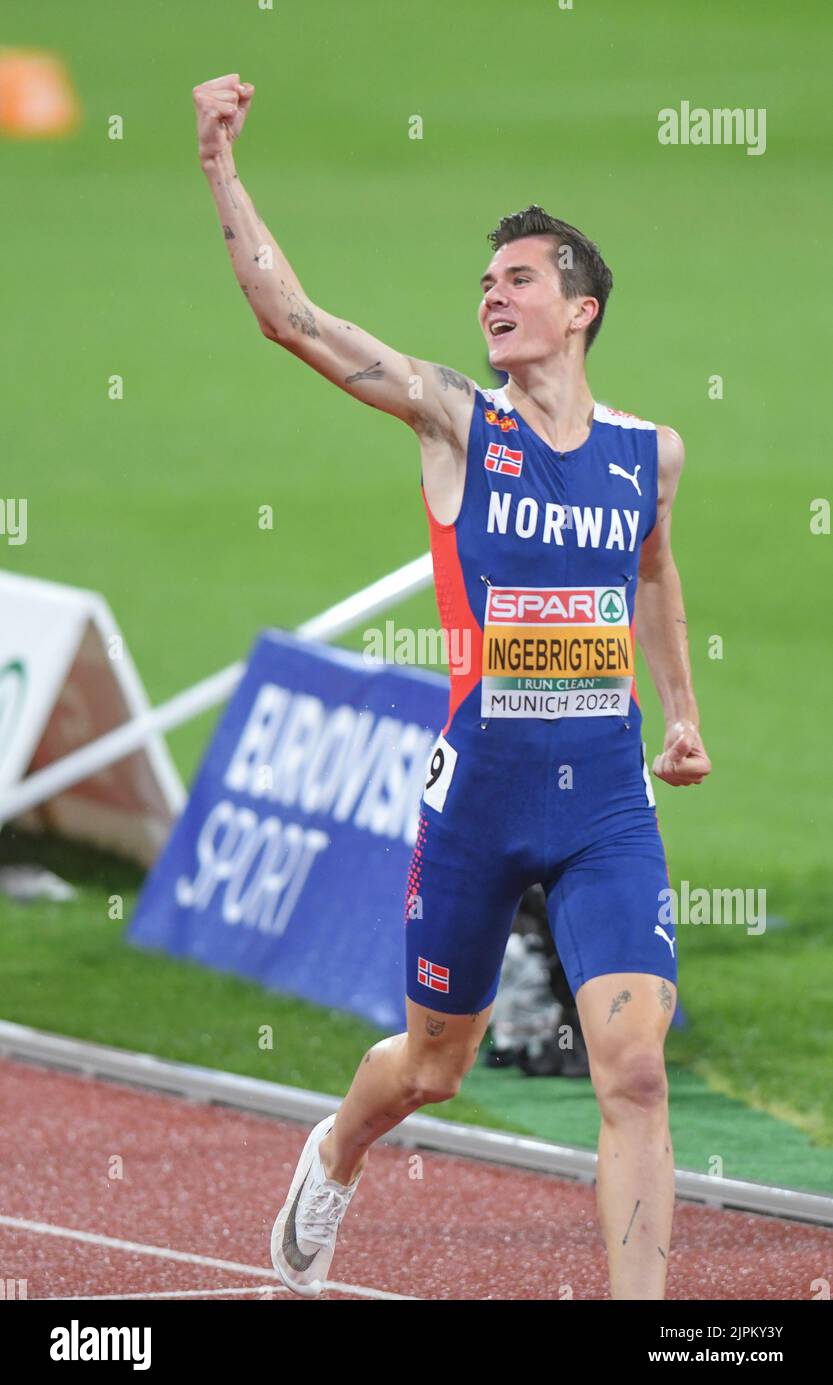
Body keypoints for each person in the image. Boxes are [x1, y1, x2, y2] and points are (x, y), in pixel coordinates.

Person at [192, 74, 712, 1301]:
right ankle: (334, 1151)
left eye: (519, 278)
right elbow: (293, 318)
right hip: (476, 799)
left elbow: (652, 573)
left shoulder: (651, 453)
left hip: (604, 809)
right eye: (485, 282)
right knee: (433, 1068)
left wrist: (682, 712)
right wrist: (218, 162)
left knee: (631, 1070)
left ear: (578, 309)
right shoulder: (454, 424)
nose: (492, 293)